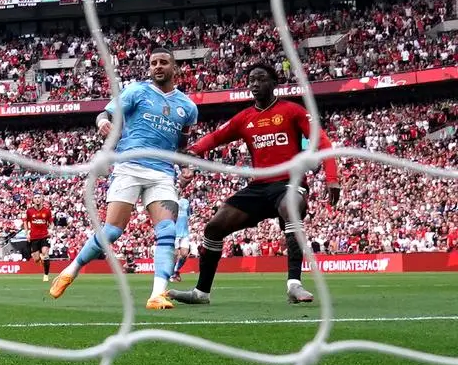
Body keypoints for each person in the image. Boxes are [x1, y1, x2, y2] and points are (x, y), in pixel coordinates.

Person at [168, 62, 339, 306]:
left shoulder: (293, 111)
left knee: (290, 206)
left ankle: (294, 285)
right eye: (251, 81)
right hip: (259, 187)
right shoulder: (245, 118)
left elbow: (322, 142)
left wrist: (332, 179)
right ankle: (201, 293)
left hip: (289, 184)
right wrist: (193, 151)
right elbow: (217, 137)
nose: (255, 85)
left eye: (261, 79)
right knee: (214, 228)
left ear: (274, 83)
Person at [50, 49, 198, 310]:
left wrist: (185, 166)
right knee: (113, 231)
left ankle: (157, 295)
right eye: (153, 63)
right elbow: (103, 114)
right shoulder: (136, 91)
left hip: (163, 172)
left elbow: (182, 146)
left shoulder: (187, 106)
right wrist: (102, 123)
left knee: (166, 232)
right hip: (129, 166)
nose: (158, 66)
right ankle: (71, 270)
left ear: (175, 68)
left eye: (163, 62)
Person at [23, 196, 53, 282]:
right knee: (36, 259)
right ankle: (40, 258)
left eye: (39, 197)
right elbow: (25, 222)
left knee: (45, 254)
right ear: (33, 200)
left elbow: (51, 223)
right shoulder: (29, 211)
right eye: (35, 198)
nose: (37, 199)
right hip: (33, 237)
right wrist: (26, 233)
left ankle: (46, 275)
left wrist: (51, 230)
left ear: (41, 199)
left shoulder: (47, 211)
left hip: (44, 236)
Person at [172, 196, 191, 282]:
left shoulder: (186, 202)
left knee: (184, 254)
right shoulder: (171, 201)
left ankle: (176, 270)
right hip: (175, 232)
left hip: (185, 232)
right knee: (175, 255)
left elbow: (188, 215)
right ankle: (172, 273)